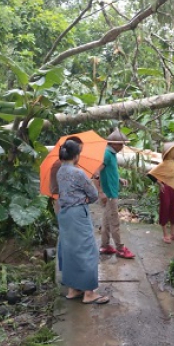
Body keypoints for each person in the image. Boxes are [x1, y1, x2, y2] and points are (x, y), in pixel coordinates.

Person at [56, 139, 109, 304]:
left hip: (64, 215)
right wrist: (94, 179)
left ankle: (73, 289)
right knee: (88, 250)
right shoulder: (78, 173)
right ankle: (89, 293)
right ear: (76, 155)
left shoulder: (60, 172)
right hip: (78, 214)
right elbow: (93, 194)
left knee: (70, 250)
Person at [93, 128, 135, 259]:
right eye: (121, 144)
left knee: (106, 221)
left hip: (110, 192)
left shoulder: (111, 154)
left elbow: (108, 172)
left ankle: (105, 245)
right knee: (115, 222)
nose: (122, 147)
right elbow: (96, 173)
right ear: (114, 143)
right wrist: (101, 192)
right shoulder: (106, 154)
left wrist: (119, 179)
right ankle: (120, 248)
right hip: (109, 194)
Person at [50, 136, 84, 272]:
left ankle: (66, 267)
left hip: (64, 202)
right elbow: (55, 188)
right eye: (79, 150)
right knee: (66, 236)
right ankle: (65, 268)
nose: (79, 154)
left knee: (66, 235)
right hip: (62, 202)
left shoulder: (67, 166)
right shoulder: (61, 165)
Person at [147, 142, 174, 243]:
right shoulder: (163, 165)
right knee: (165, 209)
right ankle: (165, 234)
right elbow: (150, 174)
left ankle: (173, 233)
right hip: (166, 190)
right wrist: (159, 183)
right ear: (169, 153)